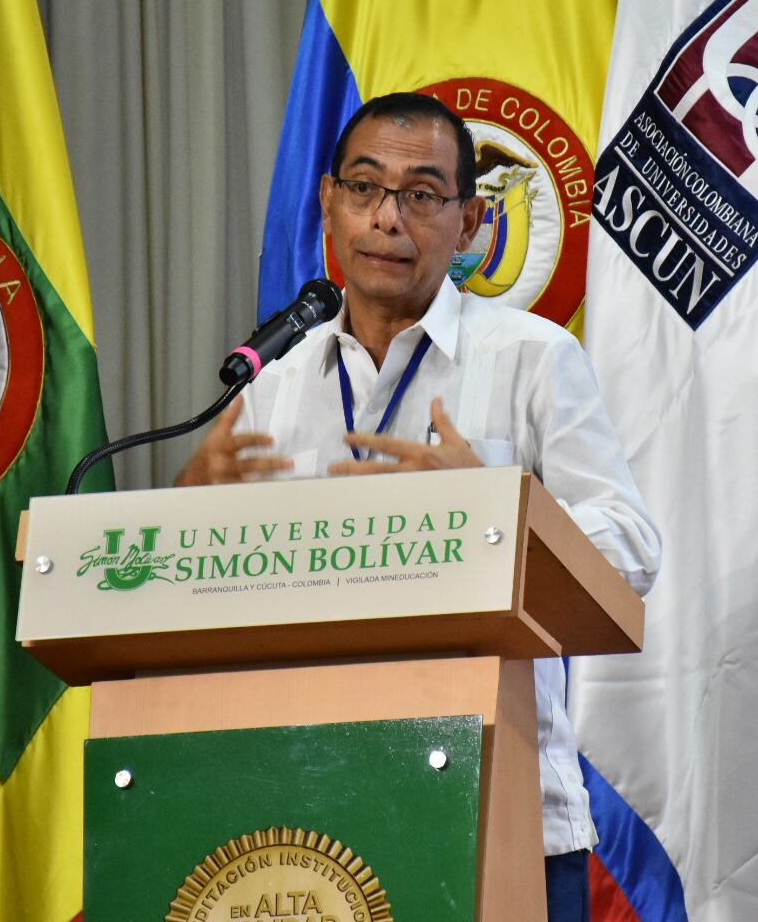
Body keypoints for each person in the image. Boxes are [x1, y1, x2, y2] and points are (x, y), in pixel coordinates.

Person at [177, 91, 659, 921]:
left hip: (504, 821)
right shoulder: (276, 382)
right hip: (307, 826)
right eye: (364, 189)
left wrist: (492, 510)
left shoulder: (533, 360)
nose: (386, 218)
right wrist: (189, 504)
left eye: (421, 195)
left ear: (470, 223)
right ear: (329, 203)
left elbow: (631, 552)